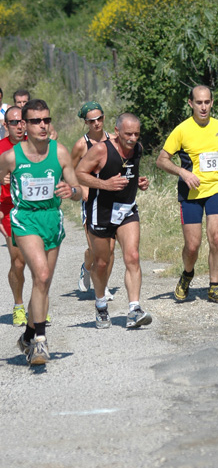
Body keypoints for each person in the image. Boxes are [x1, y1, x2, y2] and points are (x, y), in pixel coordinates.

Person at [0, 99, 82, 365]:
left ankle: (27, 335)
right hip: (24, 219)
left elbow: (79, 191)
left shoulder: (60, 153)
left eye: (46, 120)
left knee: (43, 283)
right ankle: (40, 343)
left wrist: (71, 191)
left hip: (52, 219)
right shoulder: (11, 156)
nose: (43, 125)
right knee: (42, 273)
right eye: (36, 121)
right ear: (24, 124)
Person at [156, 85, 218, 303]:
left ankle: (214, 286)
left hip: (216, 190)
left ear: (212, 103)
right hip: (190, 193)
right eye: (199, 102)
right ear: (191, 103)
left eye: (207, 102)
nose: (203, 107)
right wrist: (182, 172)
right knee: (192, 246)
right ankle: (187, 274)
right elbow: (161, 159)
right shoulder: (182, 130)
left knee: (217, 238)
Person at [76, 112, 152, 330]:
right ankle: (100, 306)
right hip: (102, 211)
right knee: (102, 262)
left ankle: (134, 309)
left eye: (136, 134)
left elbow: (128, 173)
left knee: (133, 256)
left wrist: (138, 182)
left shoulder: (137, 148)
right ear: (117, 131)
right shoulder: (101, 149)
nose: (132, 138)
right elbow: (79, 173)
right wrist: (105, 185)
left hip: (127, 210)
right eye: (128, 133)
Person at [71, 101, 114, 300]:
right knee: (95, 249)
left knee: (110, 248)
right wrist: (82, 187)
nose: (97, 123)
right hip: (90, 201)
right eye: (92, 121)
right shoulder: (82, 145)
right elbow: (70, 171)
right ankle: (86, 267)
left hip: (111, 200)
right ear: (86, 123)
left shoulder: (114, 140)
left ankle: (103, 286)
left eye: (100, 119)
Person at [0, 106, 27, 326]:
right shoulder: (0, 149)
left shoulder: (36, 146)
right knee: (18, 261)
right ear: (5, 125)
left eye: (22, 122)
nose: (19, 126)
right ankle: (19, 306)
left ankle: (38, 305)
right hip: (9, 210)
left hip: (36, 210)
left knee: (39, 262)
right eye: (13, 123)